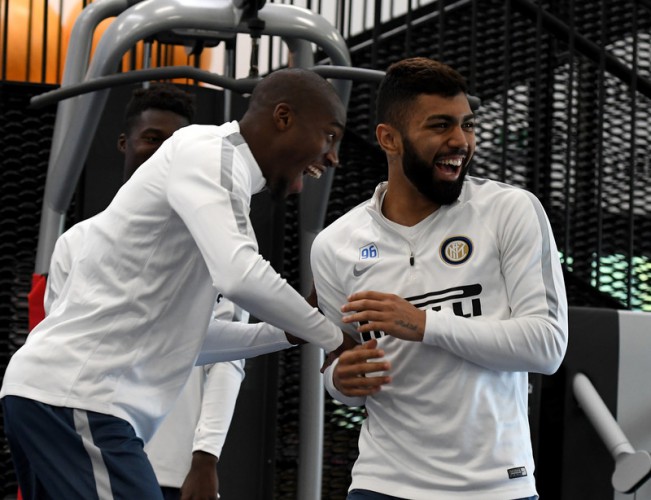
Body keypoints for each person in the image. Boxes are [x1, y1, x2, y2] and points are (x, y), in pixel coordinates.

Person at [1, 67, 348, 499]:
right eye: (329, 136)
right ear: (283, 117)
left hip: (58, 399)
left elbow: (184, 339)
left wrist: (289, 332)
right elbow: (239, 274)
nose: (333, 157)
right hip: (78, 399)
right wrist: (334, 337)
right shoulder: (211, 152)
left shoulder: (219, 189)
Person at [311, 57, 568, 500]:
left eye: (467, 125)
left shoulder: (511, 210)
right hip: (381, 485)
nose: (460, 142)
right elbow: (343, 365)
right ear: (389, 139)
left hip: (495, 486)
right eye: (440, 126)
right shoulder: (335, 244)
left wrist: (424, 324)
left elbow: (547, 346)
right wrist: (338, 381)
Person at [42, 83, 246, 500]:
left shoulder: (217, 246)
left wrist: (205, 457)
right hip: (91, 453)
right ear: (125, 143)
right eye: (152, 139)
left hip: (174, 468)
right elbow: (61, 361)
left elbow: (227, 361)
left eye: (175, 143)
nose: (163, 153)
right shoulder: (76, 243)